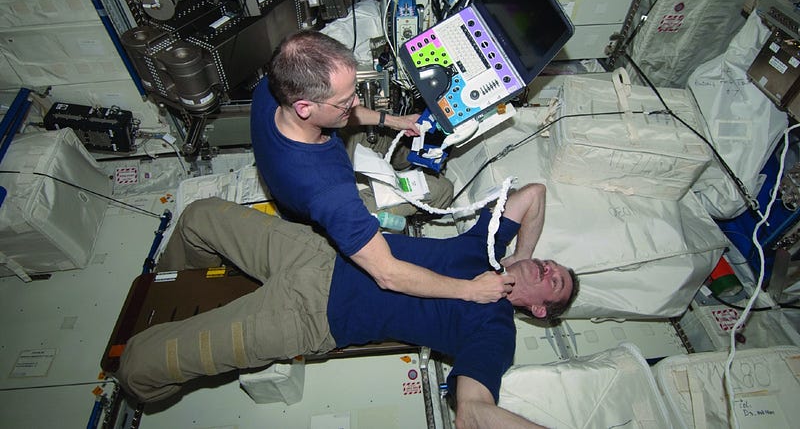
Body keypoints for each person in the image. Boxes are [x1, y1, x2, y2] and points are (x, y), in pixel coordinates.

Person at [116, 183, 578, 428]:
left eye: (553, 281)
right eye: (552, 263)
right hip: (319, 251)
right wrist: (518, 256)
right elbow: (534, 194)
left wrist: (485, 291)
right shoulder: (487, 252)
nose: (548, 267)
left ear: (539, 310)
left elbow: (474, 411)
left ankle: (153, 384)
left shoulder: (496, 331)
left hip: (309, 314)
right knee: (198, 217)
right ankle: (171, 287)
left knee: (138, 365)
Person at [250, 30, 510, 303]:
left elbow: (340, 113)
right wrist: (471, 291)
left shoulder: (272, 89)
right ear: (304, 108)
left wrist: (392, 120)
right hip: (320, 204)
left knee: (407, 146)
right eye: (345, 102)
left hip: (322, 162)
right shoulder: (330, 193)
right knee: (441, 190)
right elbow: (388, 274)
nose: (356, 103)